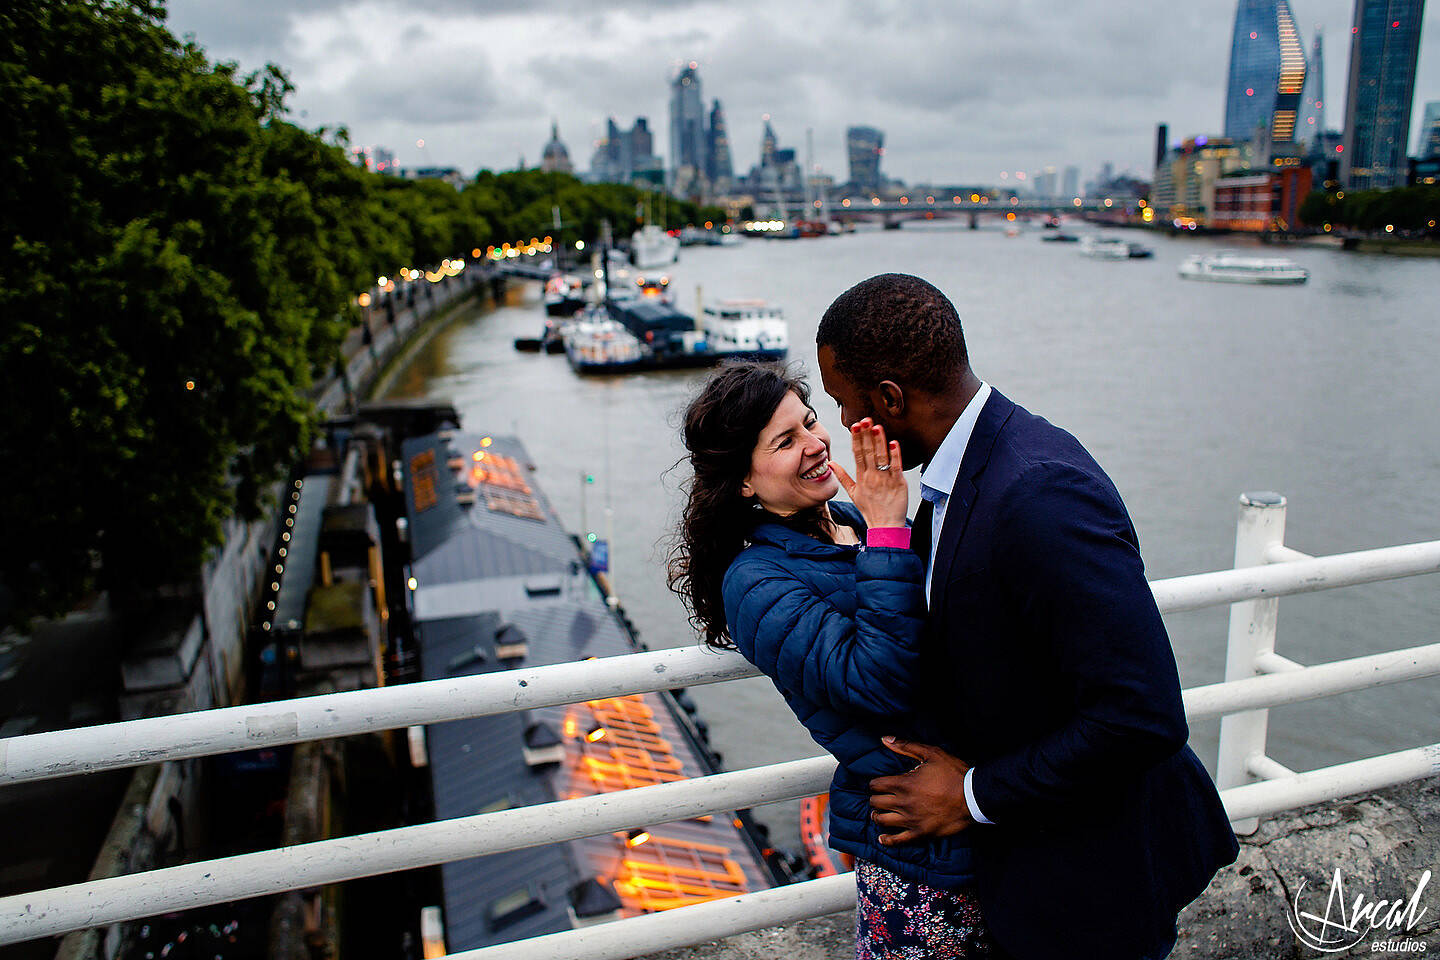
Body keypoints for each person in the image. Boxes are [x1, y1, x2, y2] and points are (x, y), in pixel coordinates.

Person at [814, 273, 1240, 960]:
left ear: (890, 399)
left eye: (845, 405)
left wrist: (972, 792)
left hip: (1096, 884)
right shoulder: (965, 471)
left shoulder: (1039, 495)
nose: (841, 424)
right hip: (1039, 867)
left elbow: (1143, 713)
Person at [669, 361, 1003, 957]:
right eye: (785, 441)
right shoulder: (755, 582)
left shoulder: (844, 520)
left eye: (811, 423)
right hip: (917, 847)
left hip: (970, 805)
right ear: (744, 482)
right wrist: (889, 530)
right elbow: (878, 685)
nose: (817, 444)